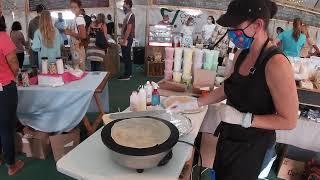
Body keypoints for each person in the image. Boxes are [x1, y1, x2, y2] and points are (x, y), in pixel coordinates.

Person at [169, 0, 298, 179]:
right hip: (229, 137)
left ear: (258, 25)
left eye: (236, 26)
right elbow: (227, 88)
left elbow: (289, 120)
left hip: (253, 146)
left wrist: (244, 119)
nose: (231, 33)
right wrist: (194, 102)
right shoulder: (241, 53)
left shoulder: (276, 64)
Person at [0, 13, 24, 176]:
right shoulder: (2, 37)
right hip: (5, 86)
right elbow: (14, 63)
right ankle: (11, 164)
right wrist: (15, 75)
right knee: (6, 128)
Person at [65, 0, 87, 70]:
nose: (73, 9)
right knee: (77, 67)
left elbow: (83, 35)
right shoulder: (76, 18)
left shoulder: (79, 19)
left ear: (79, 7)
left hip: (77, 47)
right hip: (75, 47)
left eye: (75, 7)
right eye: (71, 7)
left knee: (79, 68)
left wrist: (69, 33)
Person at [118, 0, 135, 80]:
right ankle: (129, 73)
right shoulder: (128, 15)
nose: (123, 6)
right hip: (127, 38)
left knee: (126, 56)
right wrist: (122, 26)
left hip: (127, 38)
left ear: (128, 5)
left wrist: (124, 39)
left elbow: (129, 28)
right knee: (126, 56)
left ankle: (127, 75)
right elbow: (127, 27)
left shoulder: (130, 15)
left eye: (124, 4)